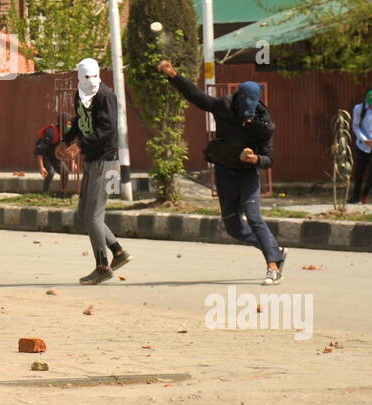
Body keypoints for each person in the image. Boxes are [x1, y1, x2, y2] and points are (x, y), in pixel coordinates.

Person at [158, 60, 287, 285]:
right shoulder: (224, 107)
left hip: (247, 175)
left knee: (254, 217)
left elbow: (269, 160)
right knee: (233, 228)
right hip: (225, 171)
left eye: (252, 101)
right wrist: (173, 75)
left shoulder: (263, 126)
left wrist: (256, 158)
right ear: (238, 99)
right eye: (244, 100)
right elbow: (196, 96)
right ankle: (274, 249)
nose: (248, 105)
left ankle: (272, 266)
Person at [55, 58, 130, 285]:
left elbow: (107, 129)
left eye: (94, 76)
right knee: (84, 214)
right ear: (79, 77)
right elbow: (80, 122)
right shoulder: (80, 95)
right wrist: (66, 140)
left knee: (94, 215)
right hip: (92, 160)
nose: (91, 81)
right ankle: (118, 252)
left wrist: (80, 146)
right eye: (86, 77)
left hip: (107, 162)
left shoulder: (106, 96)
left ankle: (102, 266)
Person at [34, 122, 68, 196]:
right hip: (44, 154)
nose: (69, 126)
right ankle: (45, 194)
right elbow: (40, 150)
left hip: (54, 154)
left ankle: (62, 195)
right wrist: (41, 166)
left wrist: (73, 162)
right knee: (50, 172)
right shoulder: (51, 132)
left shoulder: (66, 133)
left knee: (65, 171)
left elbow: (69, 146)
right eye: (67, 123)